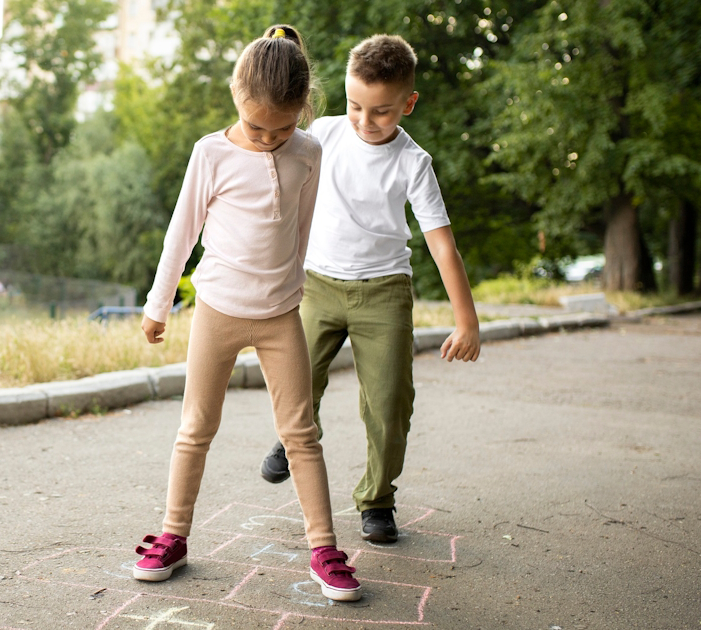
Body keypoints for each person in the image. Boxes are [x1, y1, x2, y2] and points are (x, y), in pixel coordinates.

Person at [133, 25, 360, 603]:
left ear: (303, 111)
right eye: (257, 126)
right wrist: (159, 304)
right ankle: (173, 535)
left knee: (301, 433)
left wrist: (298, 289)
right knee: (195, 429)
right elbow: (180, 234)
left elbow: (303, 228)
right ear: (236, 96)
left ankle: (324, 546)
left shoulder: (309, 150)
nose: (268, 138)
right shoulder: (210, 152)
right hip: (217, 309)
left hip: (281, 313)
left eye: (282, 127)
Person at [256, 35, 481, 544]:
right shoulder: (324, 133)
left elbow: (443, 247)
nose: (364, 120)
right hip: (316, 284)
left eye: (381, 111)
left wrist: (466, 320)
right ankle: (293, 439)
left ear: (409, 103)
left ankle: (377, 499)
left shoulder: (413, 162)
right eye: (356, 105)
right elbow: (270, 155)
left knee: (389, 402)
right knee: (297, 381)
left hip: (384, 292)